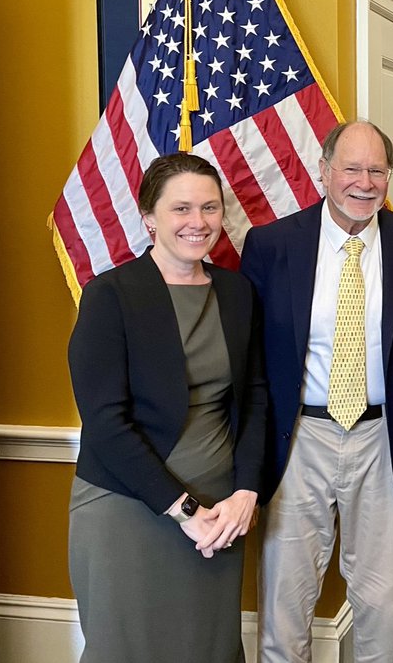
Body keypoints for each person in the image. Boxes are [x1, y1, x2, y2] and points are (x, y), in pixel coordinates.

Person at [240, 121, 393, 663]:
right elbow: (252, 363)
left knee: (385, 599)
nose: (365, 182)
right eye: (352, 169)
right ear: (324, 173)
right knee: (286, 602)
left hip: (384, 437)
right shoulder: (271, 245)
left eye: (377, 170)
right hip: (299, 440)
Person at [67, 153, 267, 663]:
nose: (197, 222)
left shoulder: (238, 292)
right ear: (149, 217)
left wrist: (247, 491)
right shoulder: (109, 295)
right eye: (181, 208)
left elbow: (257, 397)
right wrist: (184, 513)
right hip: (128, 507)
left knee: (210, 649)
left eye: (209, 207)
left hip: (220, 512)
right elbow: (107, 423)